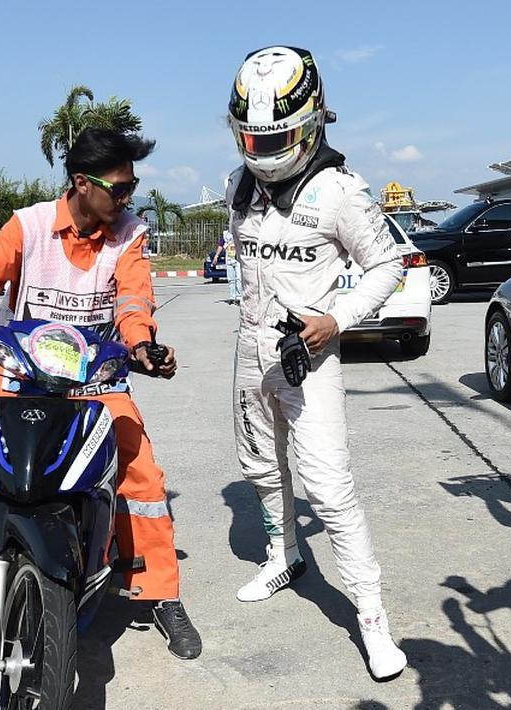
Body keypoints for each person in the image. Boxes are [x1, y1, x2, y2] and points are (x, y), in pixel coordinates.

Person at [0, 128, 202, 669]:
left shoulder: (129, 235)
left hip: (95, 380)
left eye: (132, 187)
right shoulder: (30, 225)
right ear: (82, 183)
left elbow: (134, 300)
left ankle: (159, 594)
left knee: (141, 476)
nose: (128, 198)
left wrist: (142, 345)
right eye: (119, 188)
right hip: (18, 374)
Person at [223, 45, 407, 679]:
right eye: (252, 137)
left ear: (311, 123)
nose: (262, 149)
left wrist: (338, 319)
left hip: (312, 355)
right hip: (251, 349)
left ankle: (372, 617)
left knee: (329, 488)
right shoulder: (237, 185)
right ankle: (284, 555)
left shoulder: (342, 193)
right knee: (259, 467)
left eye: (275, 138)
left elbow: (387, 266)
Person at [211, 229, 240, 304]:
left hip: (238, 260)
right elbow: (221, 245)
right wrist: (216, 256)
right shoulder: (225, 234)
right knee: (231, 279)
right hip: (229, 259)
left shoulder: (240, 231)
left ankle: (239, 297)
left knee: (239, 278)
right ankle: (232, 297)